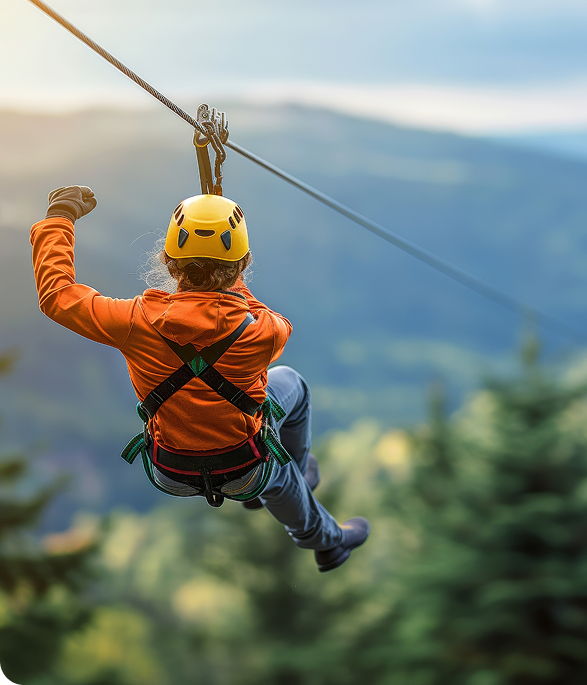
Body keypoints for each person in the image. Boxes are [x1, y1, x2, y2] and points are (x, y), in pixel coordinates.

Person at [30, 185, 369, 572]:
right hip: (245, 467)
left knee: (278, 437)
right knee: (290, 390)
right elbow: (258, 313)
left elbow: (57, 295)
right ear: (241, 267)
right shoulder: (263, 333)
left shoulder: (133, 322)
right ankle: (327, 539)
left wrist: (60, 217)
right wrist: (228, 281)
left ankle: (297, 487)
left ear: (170, 263)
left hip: (170, 468)